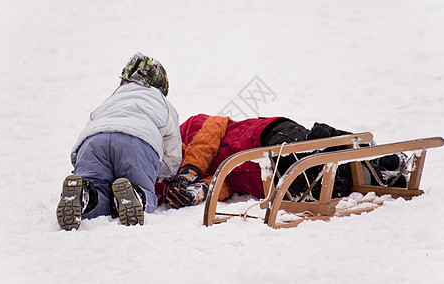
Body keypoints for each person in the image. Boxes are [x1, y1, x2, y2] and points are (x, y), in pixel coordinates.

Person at [161, 114, 407, 209]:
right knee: (317, 186)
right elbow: (222, 183)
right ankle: (375, 175)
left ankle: (378, 160)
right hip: (267, 178)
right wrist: (201, 190)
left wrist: (189, 171)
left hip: (265, 137)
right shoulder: (172, 174)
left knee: (308, 151)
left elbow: (211, 133)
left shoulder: (187, 129)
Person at [56, 52, 182, 231]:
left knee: (98, 190)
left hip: (93, 141)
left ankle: (85, 196)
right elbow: (172, 155)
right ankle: (136, 195)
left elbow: (89, 126)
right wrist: (163, 172)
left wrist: (78, 163)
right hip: (136, 142)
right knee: (145, 192)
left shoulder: (110, 100)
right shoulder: (163, 104)